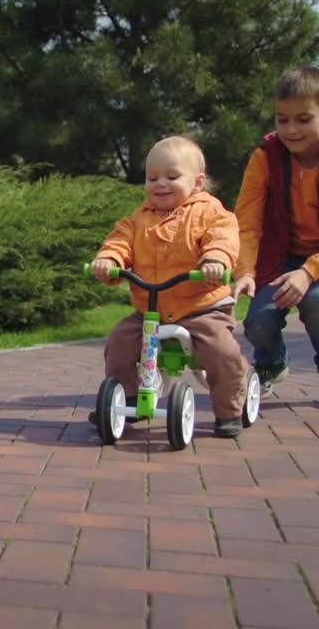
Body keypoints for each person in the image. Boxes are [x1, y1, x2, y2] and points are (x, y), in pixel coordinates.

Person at [231, 66, 319, 411]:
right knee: (258, 322)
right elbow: (247, 222)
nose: (291, 129)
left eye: (303, 118)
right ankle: (272, 362)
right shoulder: (264, 159)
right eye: (282, 120)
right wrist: (246, 272)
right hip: (281, 255)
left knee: (318, 303)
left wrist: (310, 272)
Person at [90, 136, 250, 438]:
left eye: (172, 177)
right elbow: (119, 241)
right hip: (150, 311)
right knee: (119, 342)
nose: (160, 184)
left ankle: (229, 409)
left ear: (198, 182)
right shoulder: (138, 219)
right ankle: (128, 398)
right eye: (152, 178)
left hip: (201, 306)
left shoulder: (209, 212)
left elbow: (222, 237)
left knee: (220, 350)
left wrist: (215, 260)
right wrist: (108, 259)